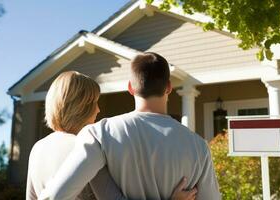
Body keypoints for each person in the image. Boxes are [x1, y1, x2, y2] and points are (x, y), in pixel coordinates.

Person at [40, 53, 221, 200]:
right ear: (168, 87)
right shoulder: (199, 146)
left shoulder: (99, 134)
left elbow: (55, 196)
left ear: (130, 87)